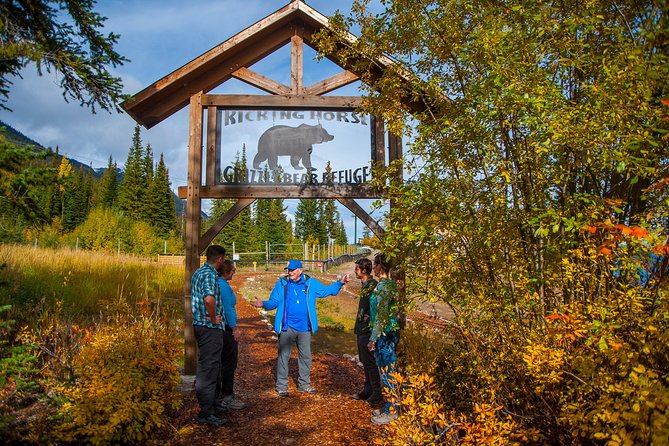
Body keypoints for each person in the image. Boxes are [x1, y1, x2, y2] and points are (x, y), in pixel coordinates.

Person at [252, 259, 350, 396]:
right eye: (288, 270)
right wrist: (262, 303)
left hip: (305, 328)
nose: (290, 272)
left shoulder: (311, 283)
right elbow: (273, 302)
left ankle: (304, 385)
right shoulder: (281, 284)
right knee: (283, 357)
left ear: (300, 270)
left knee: (305, 357)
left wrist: (340, 283)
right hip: (287, 327)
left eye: (293, 270)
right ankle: (281, 386)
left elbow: (326, 291)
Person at [191, 244, 227, 425]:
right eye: (223, 260)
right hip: (209, 328)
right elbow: (208, 298)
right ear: (219, 259)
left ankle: (212, 403)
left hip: (201, 327)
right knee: (208, 369)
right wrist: (213, 318)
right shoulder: (209, 274)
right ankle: (206, 412)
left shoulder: (199, 272)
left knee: (212, 366)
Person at [367, 253, 401, 426]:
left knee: (388, 373)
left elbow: (382, 316)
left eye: (375, 264)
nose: (373, 268)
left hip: (385, 334)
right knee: (386, 372)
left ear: (381, 266)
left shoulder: (385, 287)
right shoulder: (385, 285)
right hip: (385, 332)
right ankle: (389, 406)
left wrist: (373, 338)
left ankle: (392, 411)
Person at [215, 259, 247, 411]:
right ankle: (227, 395)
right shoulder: (224, 287)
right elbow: (228, 309)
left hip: (219, 328)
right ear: (226, 272)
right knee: (229, 363)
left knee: (221, 362)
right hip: (226, 328)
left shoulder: (217, 284)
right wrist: (234, 329)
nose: (234, 272)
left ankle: (219, 395)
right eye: (232, 270)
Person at [351, 258, 383, 407]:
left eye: (357, 269)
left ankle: (376, 391)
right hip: (361, 327)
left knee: (370, 361)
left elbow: (375, 305)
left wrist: (369, 316)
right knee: (365, 360)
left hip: (367, 329)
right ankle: (368, 388)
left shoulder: (372, 285)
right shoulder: (365, 284)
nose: (355, 271)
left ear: (364, 270)